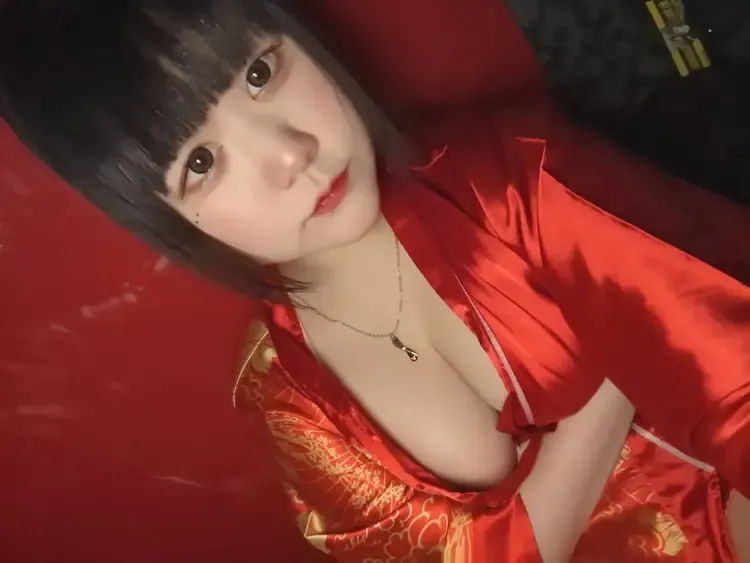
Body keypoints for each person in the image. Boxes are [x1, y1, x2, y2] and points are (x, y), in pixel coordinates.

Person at [1, 1, 748, 561]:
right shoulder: (291, 397)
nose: (290, 155)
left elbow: (733, 380)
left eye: (260, 74)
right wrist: (613, 369)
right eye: (202, 162)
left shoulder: (509, 179)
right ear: (166, 218)